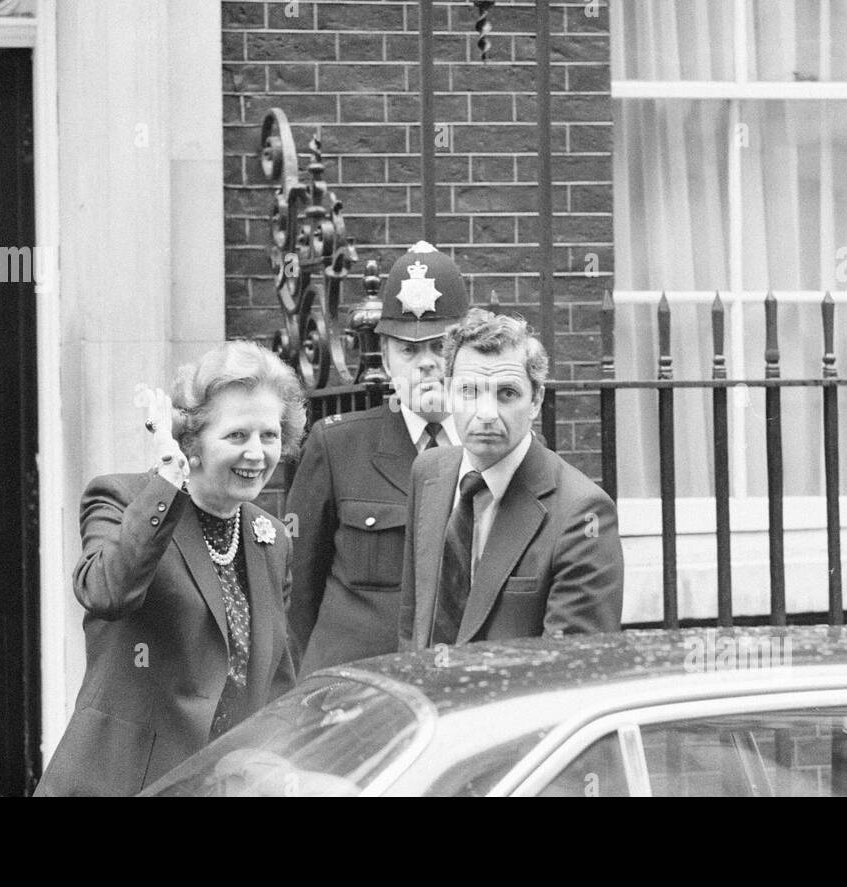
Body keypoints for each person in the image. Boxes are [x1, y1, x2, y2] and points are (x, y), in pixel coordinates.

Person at [35, 341, 304, 796]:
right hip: (127, 781)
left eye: (270, 435)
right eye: (237, 436)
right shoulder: (123, 499)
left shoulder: (271, 536)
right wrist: (168, 479)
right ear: (192, 443)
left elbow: (276, 682)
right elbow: (107, 593)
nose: (257, 453)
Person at [287, 242, 467, 675]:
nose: (426, 365)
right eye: (408, 350)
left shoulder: (491, 449)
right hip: (357, 696)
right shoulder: (337, 447)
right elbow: (296, 594)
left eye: (439, 347)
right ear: (385, 359)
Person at [400, 308, 624, 650]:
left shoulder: (582, 513)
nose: (486, 413)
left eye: (506, 393)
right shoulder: (428, 473)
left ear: (536, 400)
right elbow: (413, 627)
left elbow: (568, 672)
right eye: (469, 391)